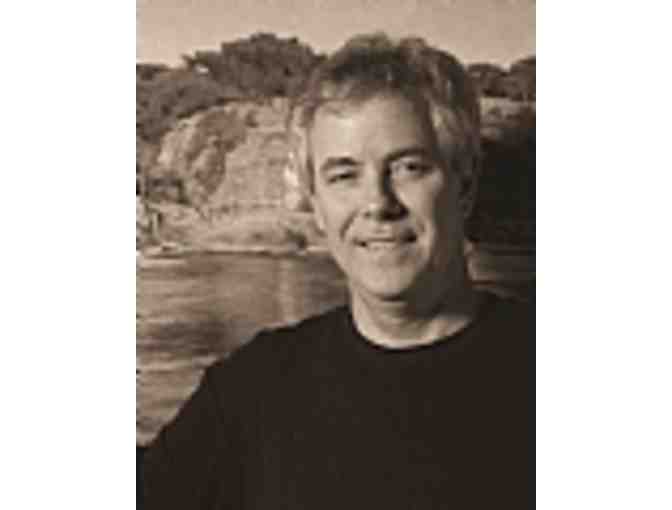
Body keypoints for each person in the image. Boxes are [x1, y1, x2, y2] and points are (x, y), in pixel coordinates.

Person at [142, 33, 533, 509]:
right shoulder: (252, 391)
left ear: (464, 183)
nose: (377, 203)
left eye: (408, 167)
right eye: (344, 175)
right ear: (316, 202)